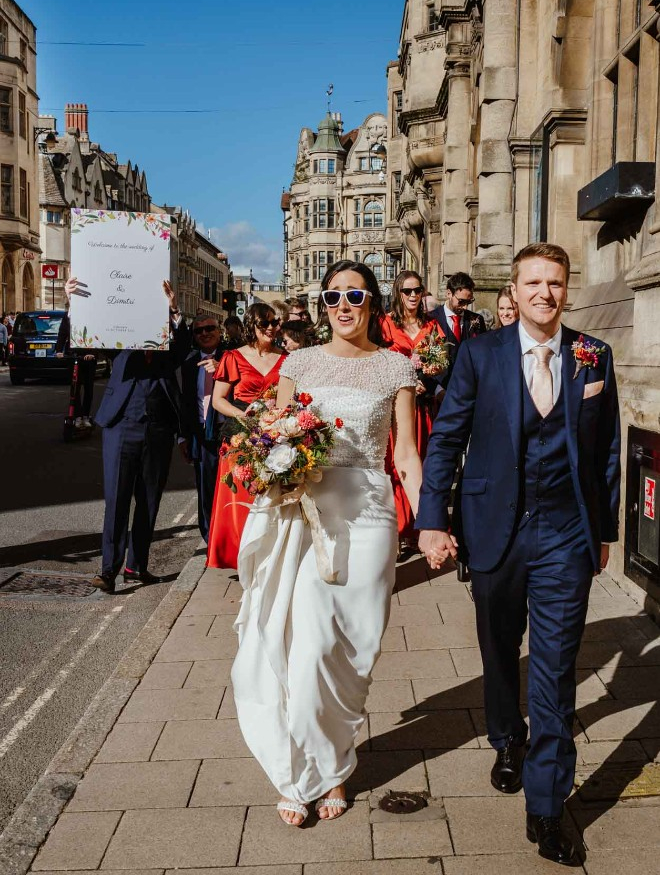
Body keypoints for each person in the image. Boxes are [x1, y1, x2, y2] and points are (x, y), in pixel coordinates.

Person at [417, 243, 621, 866]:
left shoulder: (593, 355)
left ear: (567, 288)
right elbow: (447, 439)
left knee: (555, 670)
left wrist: (604, 532)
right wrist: (432, 520)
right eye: (533, 282)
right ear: (514, 288)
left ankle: (547, 806)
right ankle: (507, 736)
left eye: (554, 282)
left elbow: (607, 450)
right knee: (499, 646)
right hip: (493, 529)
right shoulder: (480, 353)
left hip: (566, 533)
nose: (544, 293)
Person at [231, 260, 422, 827]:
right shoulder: (300, 363)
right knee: (309, 646)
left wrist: (432, 519)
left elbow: (405, 453)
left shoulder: (397, 367)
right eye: (333, 295)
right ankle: (307, 774)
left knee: (357, 648)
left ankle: (336, 759)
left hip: (371, 515)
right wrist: (269, 461)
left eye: (355, 296)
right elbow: (275, 429)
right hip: (308, 511)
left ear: (372, 303)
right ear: (322, 304)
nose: (343, 305)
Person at [89, 280, 191, 594]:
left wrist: (174, 309)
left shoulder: (168, 347)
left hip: (158, 429)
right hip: (121, 425)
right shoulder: (119, 341)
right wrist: (73, 305)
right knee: (116, 500)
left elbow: (184, 348)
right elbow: (86, 337)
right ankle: (108, 571)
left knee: (148, 500)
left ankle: (136, 566)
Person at [205, 304, 286, 571]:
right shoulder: (233, 357)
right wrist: (243, 416)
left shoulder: (286, 359)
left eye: (275, 323)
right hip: (241, 434)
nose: (271, 328)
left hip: (274, 434)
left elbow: (290, 399)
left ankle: (268, 557)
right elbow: (218, 400)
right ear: (251, 325)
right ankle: (240, 555)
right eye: (265, 324)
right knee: (240, 496)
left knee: (270, 497)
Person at [381, 270, 444, 561]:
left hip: (422, 407)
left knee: (421, 462)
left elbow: (441, 363)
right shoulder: (386, 324)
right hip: (394, 407)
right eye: (407, 291)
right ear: (398, 293)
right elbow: (378, 360)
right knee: (395, 467)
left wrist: (427, 379)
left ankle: (419, 528)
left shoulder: (431, 325)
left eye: (417, 290)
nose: (413, 295)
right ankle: (396, 528)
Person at [180, 315, 225, 542]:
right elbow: (185, 402)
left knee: (229, 489)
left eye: (209, 328)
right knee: (205, 490)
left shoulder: (232, 357)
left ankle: (230, 538)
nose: (205, 334)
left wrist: (222, 369)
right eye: (199, 331)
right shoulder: (189, 362)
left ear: (219, 330)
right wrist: (183, 437)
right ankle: (210, 539)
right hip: (201, 434)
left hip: (227, 433)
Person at [429, 272, 487, 393]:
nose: (465, 307)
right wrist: (437, 390)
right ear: (449, 293)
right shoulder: (430, 319)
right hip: (439, 390)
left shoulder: (477, 320)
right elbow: (423, 360)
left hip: (469, 390)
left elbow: (483, 357)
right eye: (461, 301)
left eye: (469, 302)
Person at [55, 302, 97, 429]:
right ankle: (78, 416)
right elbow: (62, 334)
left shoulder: (91, 314)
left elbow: (96, 334)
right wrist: (59, 350)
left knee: (88, 388)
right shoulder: (67, 317)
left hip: (89, 355)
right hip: (74, 355)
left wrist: (93, 353)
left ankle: (86, 415)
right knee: (75, 388)